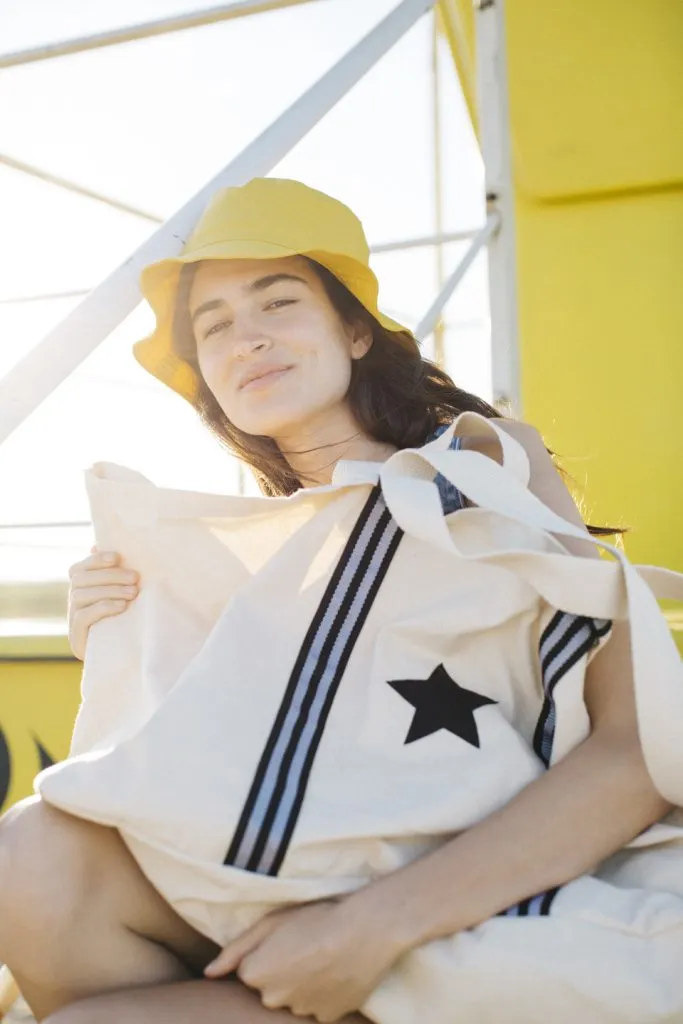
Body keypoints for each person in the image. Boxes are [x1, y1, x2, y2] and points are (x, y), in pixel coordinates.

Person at [1, 178, 682, 1024]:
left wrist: (369, 926)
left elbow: (635, 748)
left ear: (354, 329)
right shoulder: (230, 555)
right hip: (273, 885)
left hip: (458, 893)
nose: (244, 340)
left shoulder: (486, 465)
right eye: (213, 327)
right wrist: (122, 649)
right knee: (26, 855)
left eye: (276, 302)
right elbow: (223, 778)